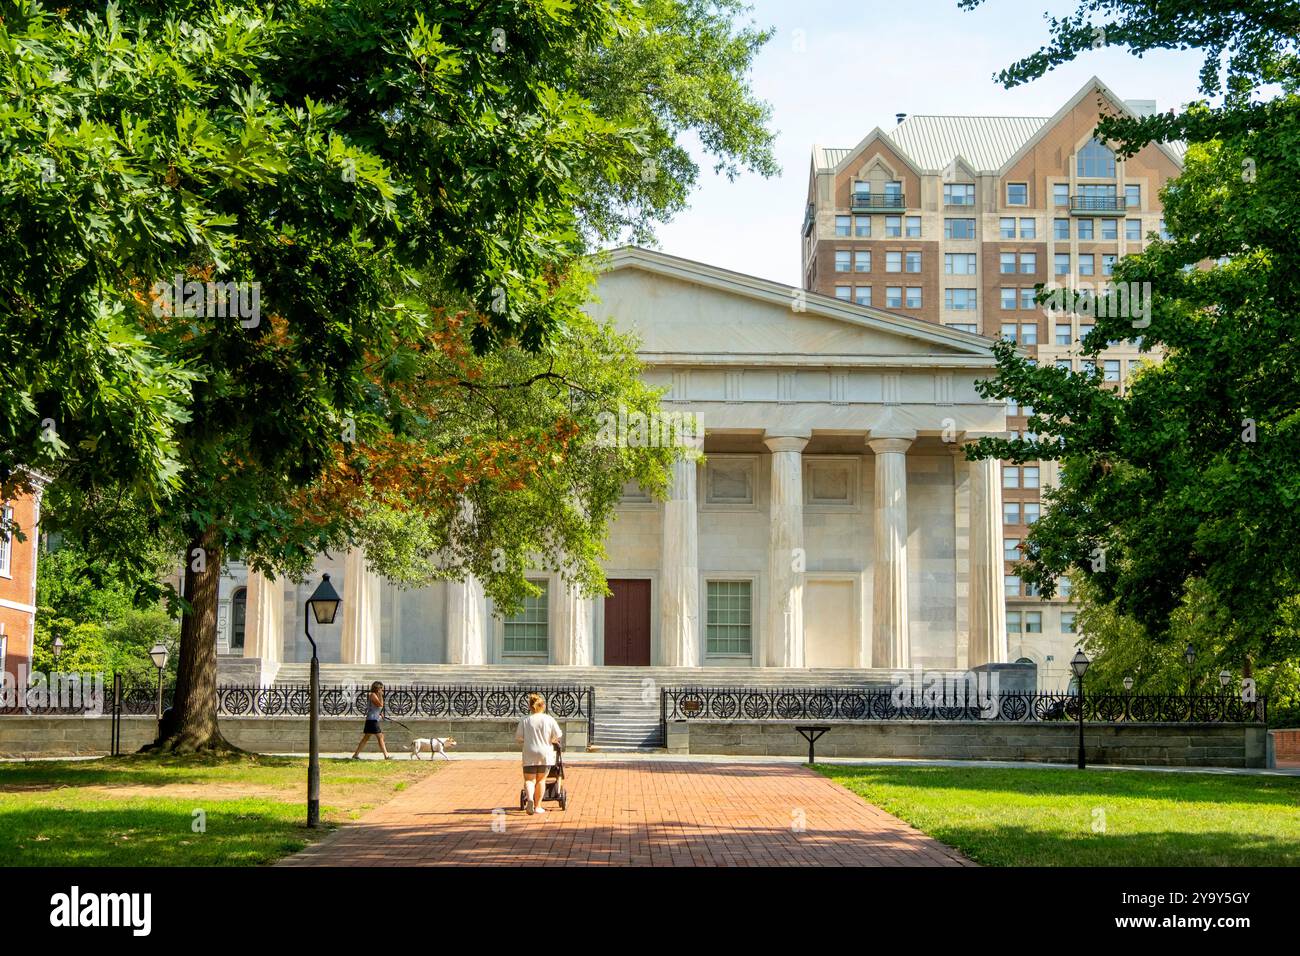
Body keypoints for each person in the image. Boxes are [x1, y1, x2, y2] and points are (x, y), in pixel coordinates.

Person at [515, 693, 562, 815]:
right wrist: (552, 740)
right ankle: (538, 806)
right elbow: (558, 735)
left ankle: (529, 798)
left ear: (530, 707)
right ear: (543, 706)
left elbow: (519, 738)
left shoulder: (525, 720)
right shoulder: (549, 719)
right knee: (541, 780)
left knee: (529, 780)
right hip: (545, 752)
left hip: (530, 752)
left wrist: (528, 740)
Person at [351, 681, 391, 760]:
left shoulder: (375, 695)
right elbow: (380, 704)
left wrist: (379, 714)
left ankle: (355, 755)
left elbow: (377, 708)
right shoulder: (372, 695)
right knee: (380, 737)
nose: (382, 690)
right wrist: (380, 696)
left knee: (366, 738)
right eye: (381, 688)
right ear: (378, 688)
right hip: (372, 720)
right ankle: (386, 755)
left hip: (372, 719)